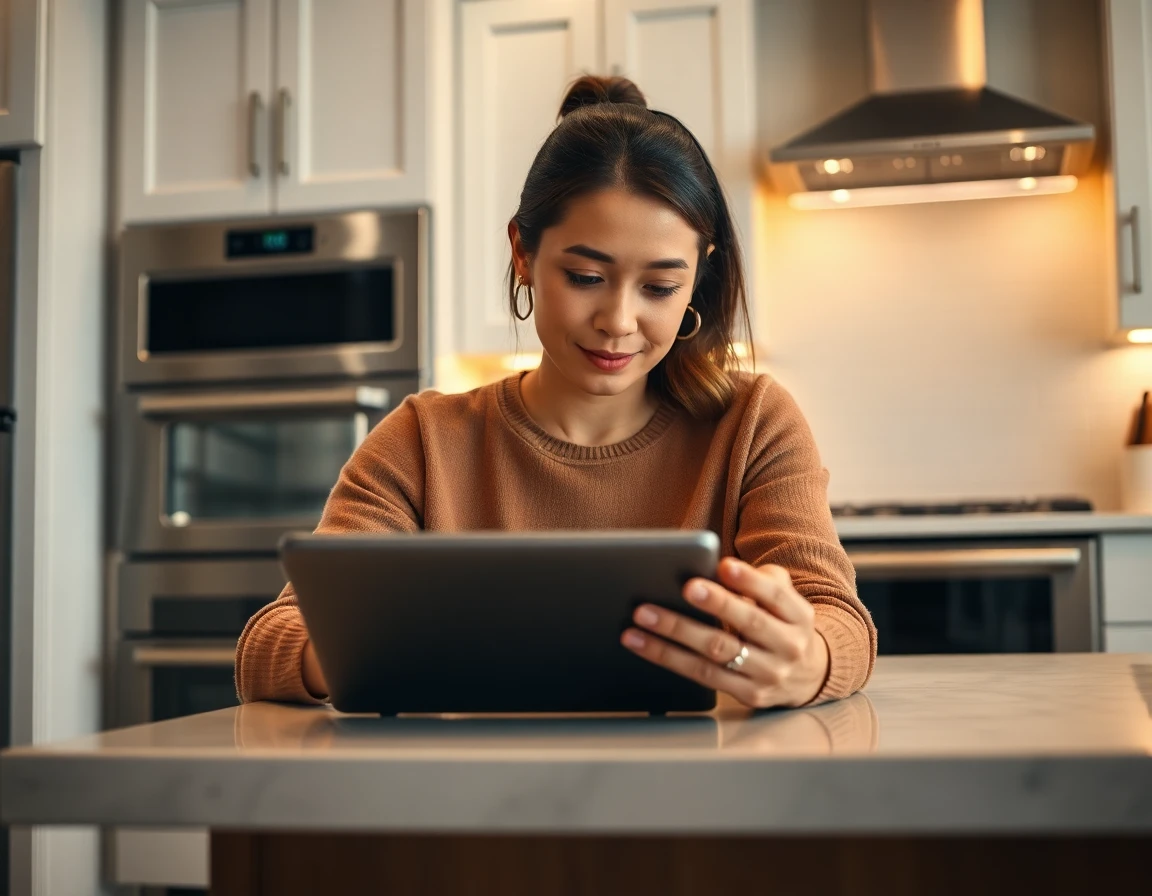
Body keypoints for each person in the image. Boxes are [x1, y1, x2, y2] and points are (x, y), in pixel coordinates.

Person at [235, 76, 877, 709]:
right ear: (523, 251)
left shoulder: (753, 422)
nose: (620, 321)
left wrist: (807, 661)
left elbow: (836, 617)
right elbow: (271, 642)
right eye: (586, 275)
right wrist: (363, 646)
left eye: (658, 287)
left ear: (698, 277)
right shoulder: (422, 440)